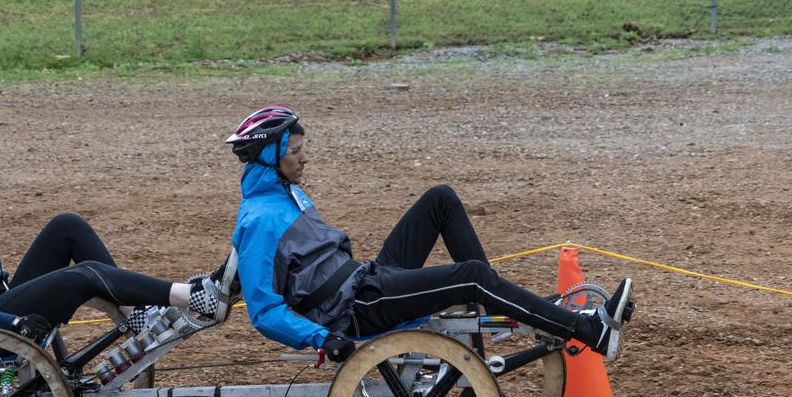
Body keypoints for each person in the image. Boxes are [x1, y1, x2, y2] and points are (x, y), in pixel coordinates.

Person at [222, 106, 633, 363]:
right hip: (354, 311)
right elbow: (263, 311)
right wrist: (322, 338)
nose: (305, 157)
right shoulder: (258, 221)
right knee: (469, 274)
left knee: (440, 199)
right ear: (270, 155)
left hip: (364, 281)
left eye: (303, 147)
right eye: (295, 151)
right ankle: (589, 332)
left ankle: (501, 304)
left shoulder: (288, 194)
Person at [0, 133, 220, 345]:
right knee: (85, 275)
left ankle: (138, 315)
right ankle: (194, 297)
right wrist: (15, 321)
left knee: (67, 226)